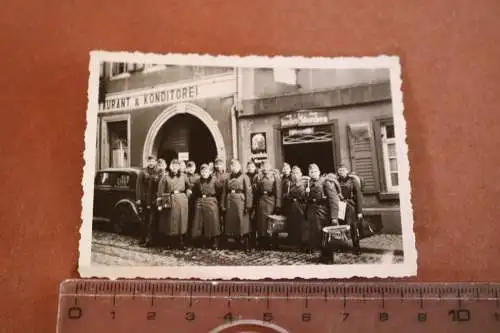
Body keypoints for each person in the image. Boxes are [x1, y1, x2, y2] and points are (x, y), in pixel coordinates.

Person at [304, 163, 340, 264]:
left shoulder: (325, 182)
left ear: (319, 172)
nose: (313, 173)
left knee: (325, 234)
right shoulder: (309, 183)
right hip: (313, 211)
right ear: (309, 173)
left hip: (323, 211)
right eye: (311, 172)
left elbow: (333, 199)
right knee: (317, 235)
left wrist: (334, 217)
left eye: (315, 171)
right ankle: (323, 255)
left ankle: (329, 257)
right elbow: (307, 200)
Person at [157, 159, 192, 249]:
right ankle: (170, 243)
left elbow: (189, 185)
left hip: (181, 201)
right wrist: (160, 204)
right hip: (170, 199)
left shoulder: (183, 176)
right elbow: (160, 191)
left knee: (181, 221)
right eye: (173, 165)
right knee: (171, 221)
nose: (175, 167)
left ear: (179, 167)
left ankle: (180, 242)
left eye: (177, 165)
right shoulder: (165, 177)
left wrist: (188, 193)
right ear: (170, 166)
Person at [221, 159, 253, 250]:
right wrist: (222, 205)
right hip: (230, 202)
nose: (233, 167)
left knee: (242, 223)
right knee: (232, 223)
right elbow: (224, 192)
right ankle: (236, 243)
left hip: (240, 203)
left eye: (235, 165)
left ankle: (245, 244)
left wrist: (248, 205)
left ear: (239, 166)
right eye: (231, 165)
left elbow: (249, 192)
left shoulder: (244, 177)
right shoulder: (227, 178)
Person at [191, 164, 221, 249]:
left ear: (209, 172)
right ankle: (202, 241)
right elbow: (195, 193)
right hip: (200, 202)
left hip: (211, 201)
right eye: (202, 171)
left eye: (206, 171)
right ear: (200, 172)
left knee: (213, 222)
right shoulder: (197, 181)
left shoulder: (214, 180)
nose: (204, 173)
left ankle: (214, 242)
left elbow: (219, 191)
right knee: (200, 222)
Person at [255, 160, 282, 249]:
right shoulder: (260, 176)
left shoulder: (275, 176)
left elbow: (278, 191)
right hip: (262, 200)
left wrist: (278, 205)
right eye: (263, 166)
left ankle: (273, 242)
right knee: (262, 223)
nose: (265, 168)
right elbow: (257, 190)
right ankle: (263, 241)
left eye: (266, 166)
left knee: (271, 221)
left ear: (270, 166)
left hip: (271, 201)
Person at [337, 164, 364, 254]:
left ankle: (356, 248)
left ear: (347, 171)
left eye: (343, 170)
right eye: (340, 170)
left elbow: (359, 196)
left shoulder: (353, 181)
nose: (341, 172)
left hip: (351, 207)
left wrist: (359, 211)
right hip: (340, 206)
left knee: (353, 227)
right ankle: (342, 246)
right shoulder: (336, 181)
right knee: (341, 227)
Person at [137, 156, 159, 247]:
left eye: (152, 161)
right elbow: (138, 186)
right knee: (145, 220)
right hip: (145, 200)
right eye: (149, 161)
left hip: (154, 200)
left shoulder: (158, 172)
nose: (151, 163)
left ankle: (150, 240)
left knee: (152, 221)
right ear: (147, 162)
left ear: (155, 162)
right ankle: (142, 239)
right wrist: (138, 198)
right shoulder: (143, 172)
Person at [285, 166, 308, 249]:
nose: (295, 175)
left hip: (302, 206)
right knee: (294, 224)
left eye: (297, 173)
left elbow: (307, 195)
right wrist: (291, 198)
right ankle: (295, 242)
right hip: (293, 206)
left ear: (301, 174)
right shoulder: (290, 183)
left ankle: (304, 243)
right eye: (293, 173)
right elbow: (287, 195)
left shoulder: (305, 182)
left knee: (303, 226)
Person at [185, 161, 200, 246]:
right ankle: (186, 239)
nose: (190, 169)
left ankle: (194, 239)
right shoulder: (184, 176)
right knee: (186, 219)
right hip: (186, 201)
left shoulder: (198, 177)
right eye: (189, 167)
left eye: (192, 167)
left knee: (195, 220)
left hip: (195, 201)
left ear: (195, 168)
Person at [213, 158, 229, 234]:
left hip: (225, 199)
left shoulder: (227, 175)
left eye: (220, 164)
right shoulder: (212, 175)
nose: (218, 166)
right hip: (215, 199)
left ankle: (225, 234)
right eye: (217, 164)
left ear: (223, 165)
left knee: (226, 217)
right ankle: (218, 235)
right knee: (216, 218)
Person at [245, 160, 259, 248]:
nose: (250, 168)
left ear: (255, 167)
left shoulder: (258, 176)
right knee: (248, 222)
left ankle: (256, 241)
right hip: (247, 201)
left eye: (252, 166)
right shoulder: (245, 176)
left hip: (256, 200)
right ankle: (249, 241)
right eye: (249, 166)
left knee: (256, 222)